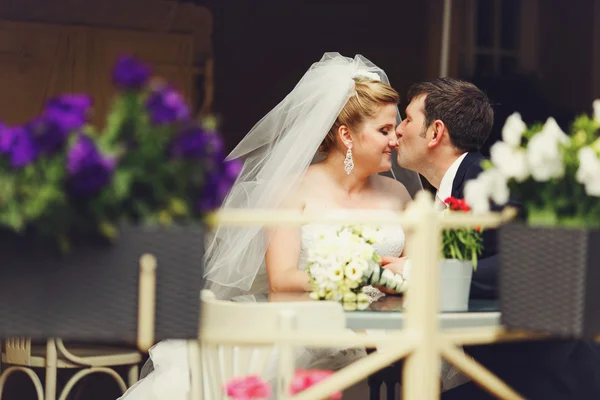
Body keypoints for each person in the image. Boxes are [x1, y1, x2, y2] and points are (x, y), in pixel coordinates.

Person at [119, 53, 423, 400]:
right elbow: (281, 279)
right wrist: (357, 275)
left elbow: (414, 274)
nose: (395, 140)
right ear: (346, 135)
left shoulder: (399, 194)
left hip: (383, 340)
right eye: (384, 130)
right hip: (303, 335)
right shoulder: (291, 189)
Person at [395, 77, 600, 399]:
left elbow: (529, 261)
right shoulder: (451, 191)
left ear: (435, 132)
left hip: (552, 379)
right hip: (502, 375)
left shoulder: (489, 182)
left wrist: (415, 272)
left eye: (407, 118)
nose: (398, 129)